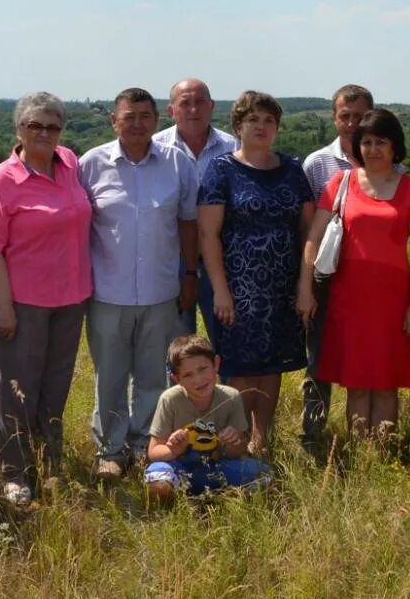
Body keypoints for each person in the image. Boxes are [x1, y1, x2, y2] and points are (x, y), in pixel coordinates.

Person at [0, 93, 93, 508]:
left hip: (72, 297)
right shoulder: (0, 181)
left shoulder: (70, 164)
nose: (44, 133)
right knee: (18, 388)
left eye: (52, 126)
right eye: (34, 125)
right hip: (23, 303)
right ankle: (14, 473)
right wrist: (2, 308)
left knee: (55, 386)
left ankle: (49, 465)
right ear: (18, 129)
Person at [78, 88, 199, 480]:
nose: (137, 123)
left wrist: (190, 274)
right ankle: (111, 451)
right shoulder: (90, 164)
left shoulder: (177, 163)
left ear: (157, 120)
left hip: (161, 291)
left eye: (145, 116)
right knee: (110, 375)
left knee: (152, 377)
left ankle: (143, 444)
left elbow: (187, 222)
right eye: (128, 116)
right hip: (106, 292)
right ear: (114, 121)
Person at [299, 108, 410, 438]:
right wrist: (305, 287)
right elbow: (313, 237)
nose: (372, 149)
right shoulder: (340, 182)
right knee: (356, 383)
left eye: (380, 142)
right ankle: (360, 455)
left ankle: (382, 456)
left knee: (387, 384)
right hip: (349, 298)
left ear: (394, 146)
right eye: (366, 142)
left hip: (393, 299)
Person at [198, 90, 314, 453]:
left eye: (268, 121)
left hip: (283, 286)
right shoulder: (221, 169)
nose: (261, 127)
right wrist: (220, 289)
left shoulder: (293, 170)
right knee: (240, 367)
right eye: (253, 120)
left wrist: (304, 283)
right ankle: (235, 441)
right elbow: (208, 233)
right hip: (238, 287)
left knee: (271, 366)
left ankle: (263, 440)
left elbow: (309, 230)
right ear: (238, 126)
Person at [298, 83, 374, 443]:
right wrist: (307, 282)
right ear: (334, 118)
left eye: (360, 116)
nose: (352, 123)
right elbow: (308, 227)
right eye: (345, 116)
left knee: (364, 356)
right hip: (326, 276)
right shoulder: (317, 164)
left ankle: (363, 434)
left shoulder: (388, 162)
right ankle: (313, 431)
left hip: (368, 278)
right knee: (320, 357)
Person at [154, 78, 238, 337]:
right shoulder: (155, 150)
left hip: (223, 262)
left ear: (212, 106)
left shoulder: (234, 148)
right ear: (171, 110)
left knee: (227, 342)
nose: (193, 109)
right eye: (185, 103)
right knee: (177, 347)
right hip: (171, 262)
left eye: (200, 102)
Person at [143, 335, 271, 500]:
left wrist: (231, 443)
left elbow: (238, 451)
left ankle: (223, 496)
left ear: (216, 364)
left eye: (203, 369)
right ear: (177, 379)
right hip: (180, 467)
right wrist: (173, 450)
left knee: (263, 473)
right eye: (188, 375)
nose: (198, 380)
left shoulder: (231, 397)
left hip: (217, 467)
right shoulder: (170, 399)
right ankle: (175, 500)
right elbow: (153, 451)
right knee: (158, 481)